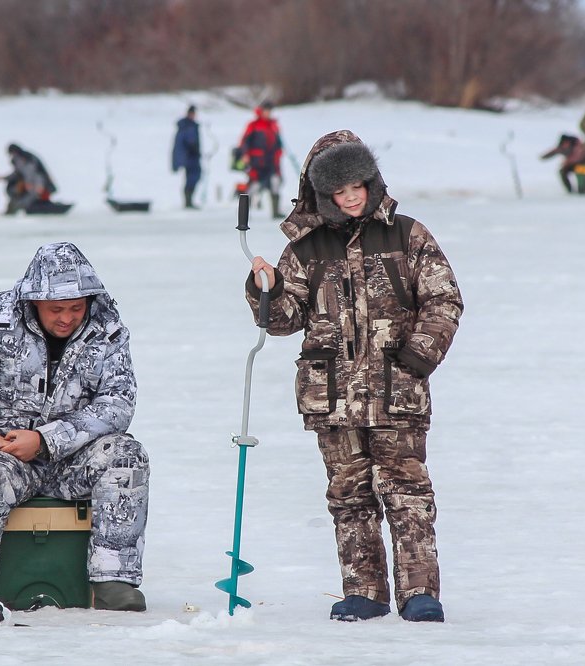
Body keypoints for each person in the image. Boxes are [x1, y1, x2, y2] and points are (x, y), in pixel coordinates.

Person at [246, 130, 462, 624]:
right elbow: (282, 320)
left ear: (371, 180)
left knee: (407, 493)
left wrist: (417, 357)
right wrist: (266, 287)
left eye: (358, 185)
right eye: (339, 192)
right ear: (323, 196)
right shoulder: (305, 249)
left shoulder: (409, 235)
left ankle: (419, 593)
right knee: (349, 496)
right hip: (333, 398)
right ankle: (363, 591)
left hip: (397, 392)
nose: (351, 198)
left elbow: (444, 299)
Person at [0, 241, 150, 624]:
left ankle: (114, 581)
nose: (67, 318)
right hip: (6, 455)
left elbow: (118, 403)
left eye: (77, 308)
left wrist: (47, 440)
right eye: (56, 309)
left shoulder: (108, 330)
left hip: (73, 457)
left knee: (127, 456)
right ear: (33, 301)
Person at [238, 101, 284, 217]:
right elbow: (245, 142)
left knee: (275, 183)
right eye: (266, 110)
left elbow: (278, 143)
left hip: (272, 162)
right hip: (258, 162)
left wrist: (279, 153)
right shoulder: (253, 125)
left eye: (269, 111)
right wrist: (245, 155)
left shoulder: (273, 125)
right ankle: (244, 213)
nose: (268, 113)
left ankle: (275, 211)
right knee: (254, 186)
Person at [3, 144, 59, 215]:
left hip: (36, 181)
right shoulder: (19, 160)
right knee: (16, 193)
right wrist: (6, 178)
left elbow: (31, 172)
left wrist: (29, 183)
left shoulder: (27, 158)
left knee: (32, 195)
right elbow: (17, 173)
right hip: (28, 183)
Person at [171, 105, 202, 209]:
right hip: (189, 157)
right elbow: (187, 142)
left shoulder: (189, 125)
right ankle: (188, 201)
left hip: (191, 157)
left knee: (194, 177)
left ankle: (189, 200)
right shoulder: (187, 126)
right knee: (192, 177)